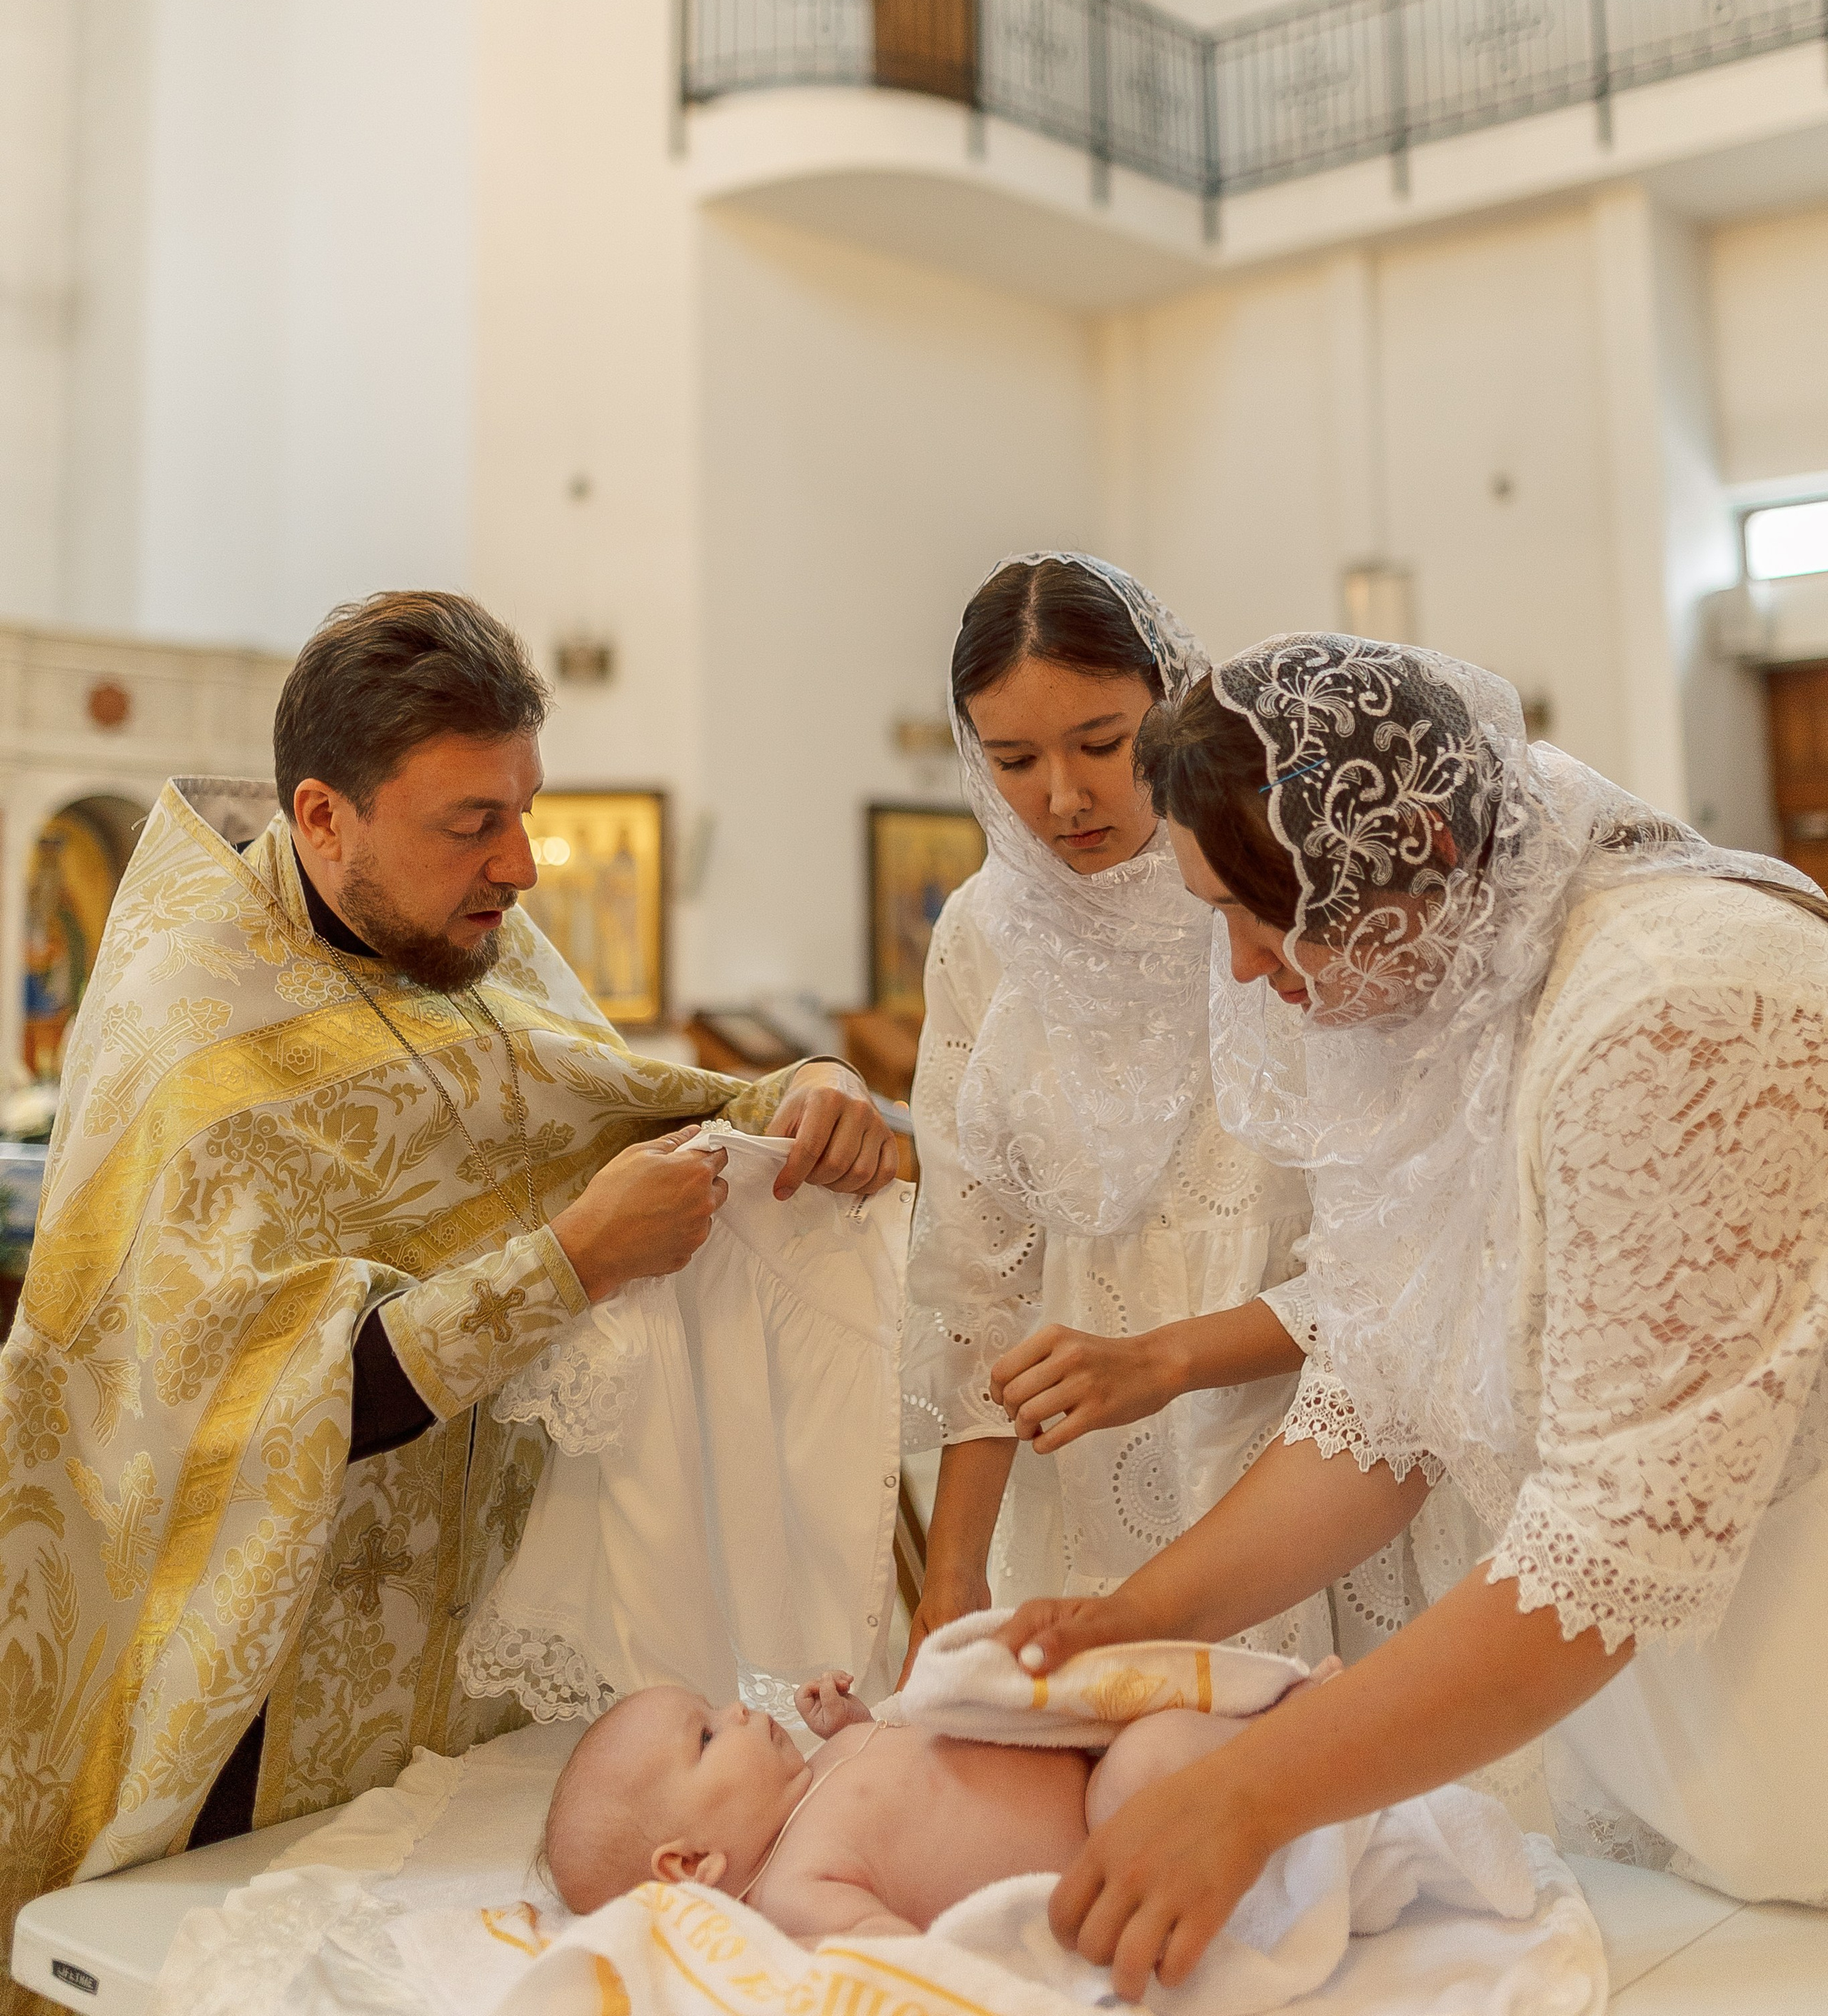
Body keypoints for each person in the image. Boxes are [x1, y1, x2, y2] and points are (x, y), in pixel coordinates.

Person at [0, 592, 895, 2005]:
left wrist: (806, 1093)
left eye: (526, 808)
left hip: (470, 1638)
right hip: (262, 1667)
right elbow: (250, 1406)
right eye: (470, 822)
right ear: (323, 816)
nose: (523, 865)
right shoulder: (192, 1027)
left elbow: (618, 1110)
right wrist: (576, 1262)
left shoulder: (481, 950)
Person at [996, 633, 1828, 2000]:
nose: (1251, 972)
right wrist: (1137, 1618)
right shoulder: (1451, 996)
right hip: (1668, 1721)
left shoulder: (1681, 1008)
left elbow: (1612, 1544)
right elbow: (1379, 1404)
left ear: (1420, 842)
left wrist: (1250, 1796)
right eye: (1220, 916)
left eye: (1271, 916)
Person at [900, 558, 1414, 1675]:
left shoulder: (1273, 891)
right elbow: (974, 1280)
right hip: (1090, 1473)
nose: (1065, 797)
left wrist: (1168, 1359)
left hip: (1312, 1448)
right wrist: (952, 1580)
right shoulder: (982, 935)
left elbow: (1397, 1271)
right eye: (1016, 760)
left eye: (1102, 742)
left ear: (1170, 703)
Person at [541, 1658, 1337, 1935]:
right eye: (708, 1736)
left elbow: (902, 1751)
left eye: (715, 1705)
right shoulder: (794, 1890)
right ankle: (1304, 1734)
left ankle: (1273, 1710)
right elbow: (898, 1960)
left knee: (1140, 1723)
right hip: (1108, 1825)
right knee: (1148, 1767)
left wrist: (853, 1722)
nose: (739, 1711)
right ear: (691, 1864)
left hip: (1073, 1742)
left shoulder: (818, 1775)